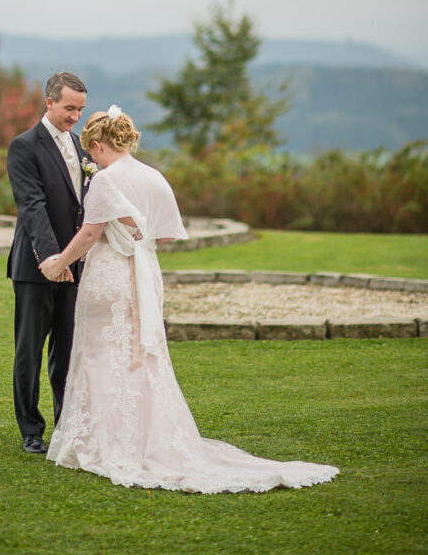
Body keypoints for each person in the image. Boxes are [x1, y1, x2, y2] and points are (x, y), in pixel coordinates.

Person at [40, 107, 339, 493]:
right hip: (146, 273)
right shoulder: (154, 177)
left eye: (92, 153)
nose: (92, 160)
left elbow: (90, 233)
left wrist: (57, 263)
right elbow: (163, 236)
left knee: (102, 353)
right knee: (141, 356)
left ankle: (104, 441)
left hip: (111, 277)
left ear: (98, 145)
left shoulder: (105, 181)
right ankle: (147, 439)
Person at [6, 72, 90, 454]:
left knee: (67, 349)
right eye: (69, 108)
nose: (75, 116)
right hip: (36, 267)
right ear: (50, 102)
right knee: (30, 350)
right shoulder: (24, 147)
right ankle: (31, 430)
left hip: (77, 265)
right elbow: (32, 207)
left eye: (80, 110)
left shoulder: (83, 148)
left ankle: (65, 423)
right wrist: (52, 259)